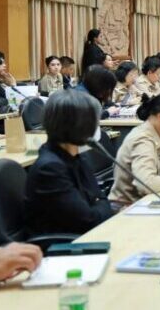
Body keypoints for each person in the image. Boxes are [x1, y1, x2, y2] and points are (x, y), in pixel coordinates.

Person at [24, 90, 114, 235]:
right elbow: (88, 221)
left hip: (86, 234)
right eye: (93, 121)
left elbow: (100, 198)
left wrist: (101, 205)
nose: (96, 126)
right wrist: (103, 206)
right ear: (78, 125)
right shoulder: (49, 169)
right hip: (63, 243)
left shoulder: (76, 155)